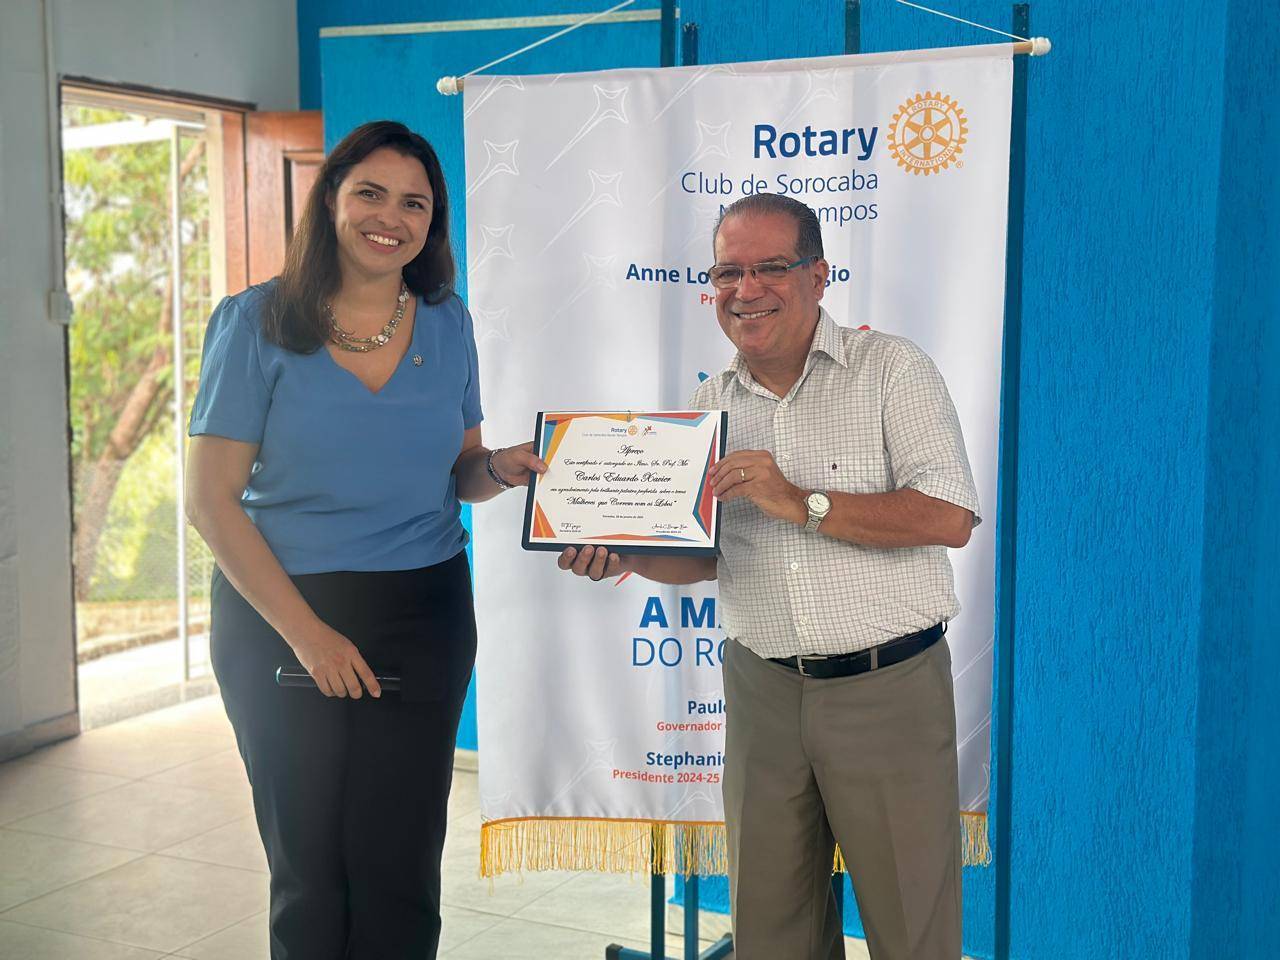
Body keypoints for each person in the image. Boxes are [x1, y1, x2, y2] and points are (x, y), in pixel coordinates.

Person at [559, 193, 979, 960]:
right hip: (762, 692)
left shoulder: (891, 369)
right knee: (772, 935)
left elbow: (950, 515)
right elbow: (703, 556)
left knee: (912, 932)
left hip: (887, 689)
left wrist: (801, 501)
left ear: (818, 276)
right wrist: (628, 553)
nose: (745, 289)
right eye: (728, 272)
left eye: (770, 268)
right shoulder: (709, 406)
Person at [185, 120, 545, 960]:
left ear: (433, 221)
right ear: (331, 201)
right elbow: (209, 502)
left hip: (423, 609)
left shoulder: (448, 322)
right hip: (282, 612)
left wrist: (502, 468)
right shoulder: (255, 322)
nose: (392, 217)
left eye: (415, 203)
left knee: (401, 863)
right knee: (310, 869)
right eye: (371, 194)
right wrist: (310, 637)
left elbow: (460, 472)